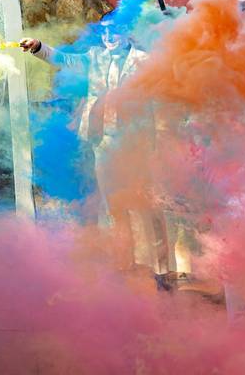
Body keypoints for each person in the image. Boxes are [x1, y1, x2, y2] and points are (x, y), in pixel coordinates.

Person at [19, 23, 171, 280]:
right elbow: (64, 59)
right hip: (103, 143)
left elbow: (160, 102)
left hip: (138, 145)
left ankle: (162, 272)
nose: (109, 36)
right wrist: (38, 47)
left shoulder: (144, 61)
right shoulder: (95, 58)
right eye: (105, 32)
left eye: (115, 31)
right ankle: (126, 267)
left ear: (127, 32)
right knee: (115, 209)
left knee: (149, 209)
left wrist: (159, 144)